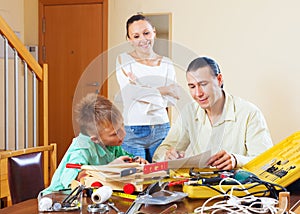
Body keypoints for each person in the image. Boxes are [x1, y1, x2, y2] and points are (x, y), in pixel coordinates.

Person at [153, 57, 273, 169]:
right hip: (198, 187)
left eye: (203, 84)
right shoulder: (189, 112)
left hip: (237, 188)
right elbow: (160, 153)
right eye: (192, 86)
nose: (198, 93)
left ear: (219, 80)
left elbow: (266, 162)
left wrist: (236, 160)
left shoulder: (249, 113)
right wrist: (168, 156)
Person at [43, 93, 147, 194]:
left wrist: (136, 161)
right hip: (59, 199)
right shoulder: (81, 149)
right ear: (96, 139)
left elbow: (126, 159)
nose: (123, 134)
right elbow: (77, 181)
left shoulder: (112, 145)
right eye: (114, 134)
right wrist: (110, 168)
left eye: (122, 126)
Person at [116, 14, 179, 163]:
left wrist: (142, 89)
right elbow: (129, 95)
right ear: (129, 40)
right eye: (136, 36)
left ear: (154, 32)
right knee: (135, 178)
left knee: (161, 178)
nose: (143, 40)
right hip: (133, 129)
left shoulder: (167, 63)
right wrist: (164, 89)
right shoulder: (124, 60)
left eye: (146, 33)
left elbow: (173, 97)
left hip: (161, 128)